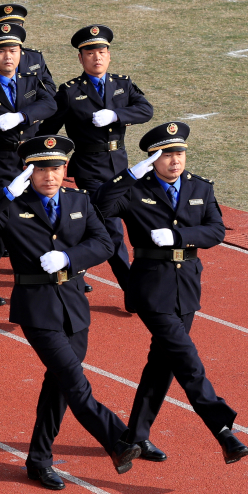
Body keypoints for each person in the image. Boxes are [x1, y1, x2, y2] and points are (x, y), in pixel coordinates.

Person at [0, 135, 142, 490]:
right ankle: (122, 439)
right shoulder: (12, 206)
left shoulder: (79, 200)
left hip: (75, 305)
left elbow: (106, 242)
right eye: (42, 168)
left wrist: (71, 258)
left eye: (56, 167)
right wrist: (5, 195)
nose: (50, 175)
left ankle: (39, 459)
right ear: (28, 171)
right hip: (37, 309)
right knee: (75, 383)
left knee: (59, 387)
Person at [95, 122, 248, 465]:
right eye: (166, 155)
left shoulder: (200, 187)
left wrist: (180, 238)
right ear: (152, 159)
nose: (175, 160)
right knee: (185, 357)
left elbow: (216, 231)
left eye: (179, 153)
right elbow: (100, 207)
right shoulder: (134, 189)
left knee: (162, 364)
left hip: (187, 286)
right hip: (151, 287)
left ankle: (134, 437)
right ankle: (222, 428)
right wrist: (128, 175)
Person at [39, 25, 153, 299]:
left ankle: (73, 261)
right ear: (81, 58)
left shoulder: (123, 84)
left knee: (130, 223)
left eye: (102, 52)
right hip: (90, 168)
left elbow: (145, 110)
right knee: (112, 230)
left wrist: (115, 115)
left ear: (109, 55)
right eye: (90, 53)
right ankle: (131, 289)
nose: (97, 57)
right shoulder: (69, 92)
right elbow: (49, 129)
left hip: (121, 166)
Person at [0, 22, 57, 306]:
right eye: (1, 51)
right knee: (6, 217)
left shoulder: (30, 80)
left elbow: (50, 103)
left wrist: (22, 117)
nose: (8, 56)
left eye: (14, 50)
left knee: (38, 216)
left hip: (29, 161)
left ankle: (47, 269)